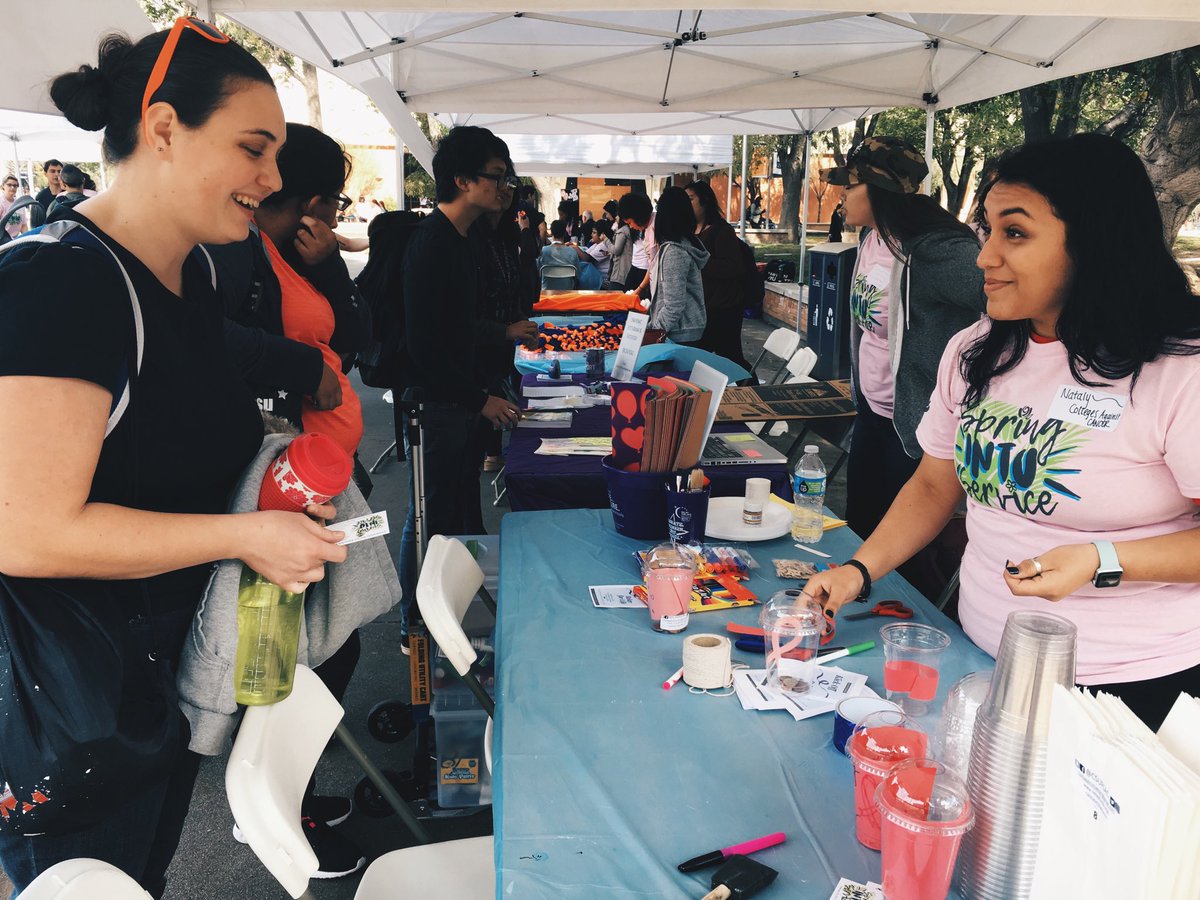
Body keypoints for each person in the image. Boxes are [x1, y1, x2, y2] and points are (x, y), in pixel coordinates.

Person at [0, 22, 346, 895]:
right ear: (161, 129)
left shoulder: (190, 271)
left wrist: (276, 498)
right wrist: (243, 538)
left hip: (149, 689)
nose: (272, 179)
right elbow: (25, 532)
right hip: (69, 706)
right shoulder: (62, 282)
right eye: (253, 149)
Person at [805, 133, 1200, 731]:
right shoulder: (975, 351)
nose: (984, 257)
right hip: (981, 659)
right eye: (987, 230)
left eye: (1014, 233)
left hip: (1127, 691)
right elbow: (936, 484)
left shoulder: (1179, 370)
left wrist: (1101, 560)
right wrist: (859, 571)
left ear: (1097, 243)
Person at [819, 136, 986, 554]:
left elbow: (1007, 300)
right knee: (859, 530)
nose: (841, 194)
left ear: (880, 191)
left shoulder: (938, 252)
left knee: (901, 555)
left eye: (850, 185)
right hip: (872, 412)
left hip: (914, 427)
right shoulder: (872, 240)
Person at [397, 125, 522, 644]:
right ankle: (419, 625)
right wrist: (480, 399)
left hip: (460, 402)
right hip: (440, 406)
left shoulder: (464, 239)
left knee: (451, 510)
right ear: (463, 179)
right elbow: (425, 348)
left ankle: (452, 616)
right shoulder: (433, 246)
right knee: (432, 518)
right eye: (496, 177)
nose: (503, 186)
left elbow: (459, 326)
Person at [469, 162, 537, 504]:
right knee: (446, 498)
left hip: (493, 365)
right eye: (497, 178)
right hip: (462, 383)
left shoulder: (505, 238)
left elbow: (519, 286)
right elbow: (445, 325)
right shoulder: (458, 239)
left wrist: (517, 321)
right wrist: (506, 329)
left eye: (510, 180)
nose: (505, 188)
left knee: (462, 500)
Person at [685, 179, 751, 371]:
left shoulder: (721, 230)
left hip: (724, 308)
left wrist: (698, 263)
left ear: (704, 201)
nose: (687, 205)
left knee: (731, 357)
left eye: (691, 199)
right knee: (699, 358)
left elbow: (733, 267)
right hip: (702, 308)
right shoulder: (690, 231)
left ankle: (751, 390)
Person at [647, 186, 708, 345]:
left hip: (680, 333)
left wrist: (653, 332)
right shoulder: (680, 245)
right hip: (680, 330)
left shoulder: (674, 251)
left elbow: (674, 305)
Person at [538, 218, 597, 288]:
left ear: (551, 232)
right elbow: (577, 274)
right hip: (567, 290)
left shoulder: (543, 251)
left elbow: (538, 271)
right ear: (564, 233)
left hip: (546, 290)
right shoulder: (572, 252)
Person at [618, 191, 655, 294]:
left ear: (637, 215)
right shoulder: (648, 227)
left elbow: (653, 264)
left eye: (630, 222)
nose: (631, 227)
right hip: (638, 267)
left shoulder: (654, 228)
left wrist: (639, 289)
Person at [606, 209, 633, 289]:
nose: (616, 218)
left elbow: (617, 250)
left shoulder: (622, 231)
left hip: (620, 273)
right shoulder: (629, 230)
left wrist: (606, 240)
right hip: (627, 270)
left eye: (617, 216)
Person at [1, 175, 24, 240]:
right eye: (9, 185)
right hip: (3, 241)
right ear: (3, 186)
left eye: (15, 185)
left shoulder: (20, 203)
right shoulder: (1, 202)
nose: (12, 187)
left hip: (16, 240)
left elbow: (24, 226)